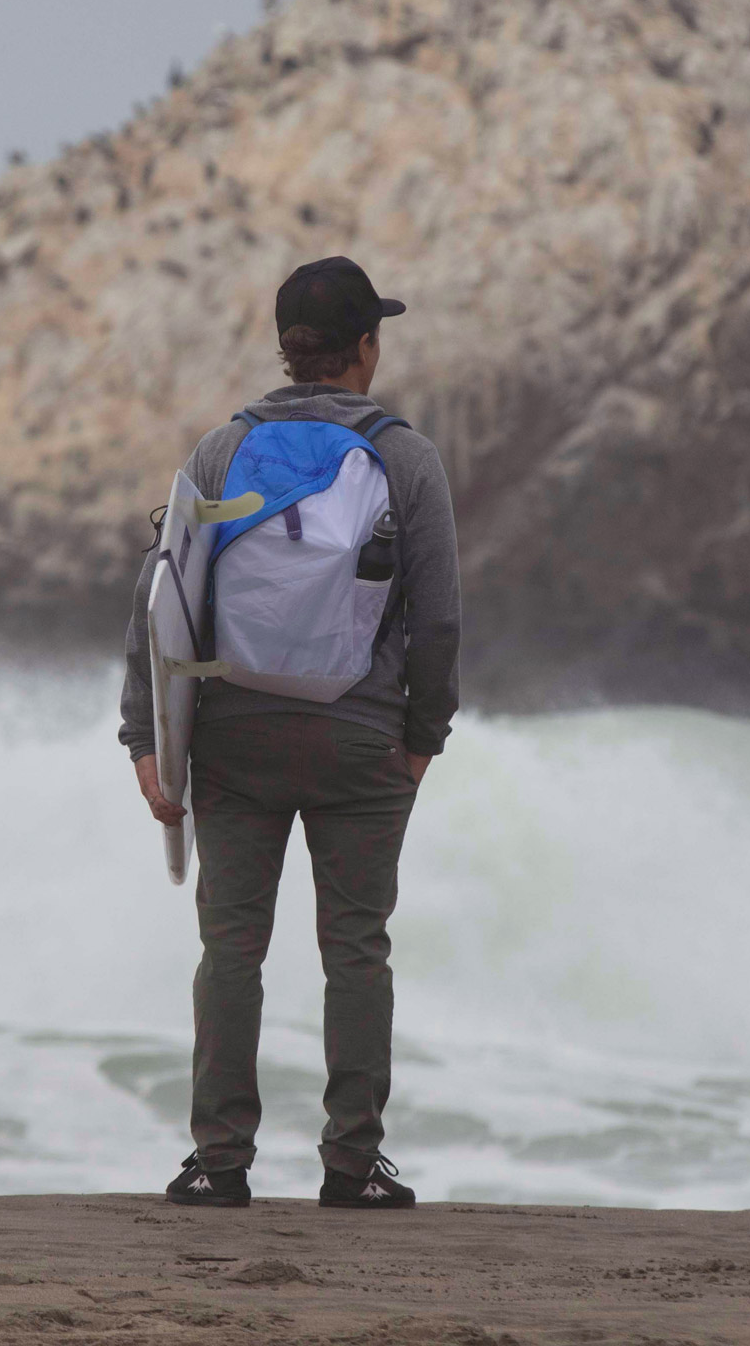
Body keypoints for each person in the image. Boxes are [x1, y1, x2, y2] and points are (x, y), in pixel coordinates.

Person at [120, 255, 460, 1210]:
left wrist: (146, 740)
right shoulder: (406, 458)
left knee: (233, 951)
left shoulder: (218, 453)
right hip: (360, 739)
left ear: (286, 350)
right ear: (365, 347)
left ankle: (218, 1161)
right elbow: (436, 619)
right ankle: (351, 1166)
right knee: (355, 949)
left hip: (232, 738)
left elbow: (159, 602)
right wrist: (422, 736)